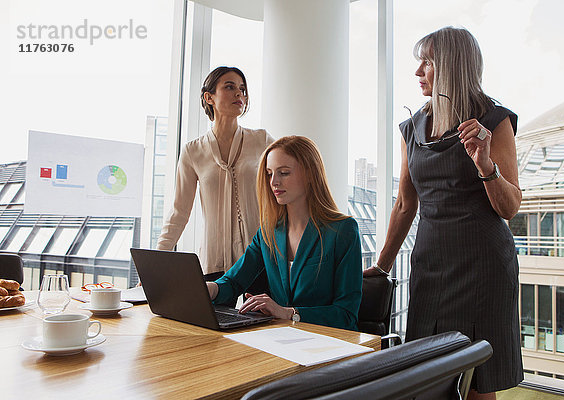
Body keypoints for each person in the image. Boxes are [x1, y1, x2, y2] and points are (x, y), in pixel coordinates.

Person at [364, 27, 523, 399]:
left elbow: (510, 206)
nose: (418, 72)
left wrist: (485, 164)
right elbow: (405, 204)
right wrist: (383, 266)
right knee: (429, 377)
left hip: (483, 266)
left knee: (478, 382)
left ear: (451, 66)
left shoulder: (494, 121)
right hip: (431, 266)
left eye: (428, 62)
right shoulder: (412, 128)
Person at [206, 136, 362, 330]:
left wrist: (289, 313)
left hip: (328, 344)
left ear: (310, 174)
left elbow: (346, 315)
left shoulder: (343, 230)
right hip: (281, 341)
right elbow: (233, 282)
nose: (274, 182)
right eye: (269, 173)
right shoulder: (268, 233)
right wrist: (207, 289)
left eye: (284, 173)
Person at [157, 66, 274, 291]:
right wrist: (157, 262)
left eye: (242, 89)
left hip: (260, 260)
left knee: (265, 324)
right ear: (209, 97)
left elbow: (287, 185)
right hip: (214, 261)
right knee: (215, 324)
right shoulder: (193, 151)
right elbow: (179, 211)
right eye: (229, 87)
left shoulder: (262, 140)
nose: (239, 94)